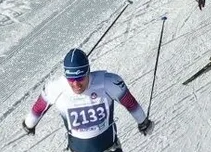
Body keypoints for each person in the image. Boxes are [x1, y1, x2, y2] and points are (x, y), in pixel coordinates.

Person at [23, 48, 152, 152]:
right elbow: (39, 108)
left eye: (80, 78)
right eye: (71, 80)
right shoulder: (56, 88)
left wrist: (143, 122)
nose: (76, 85)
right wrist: (29, 124)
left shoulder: (108, 83)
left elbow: (130, 103)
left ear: (88, 72)